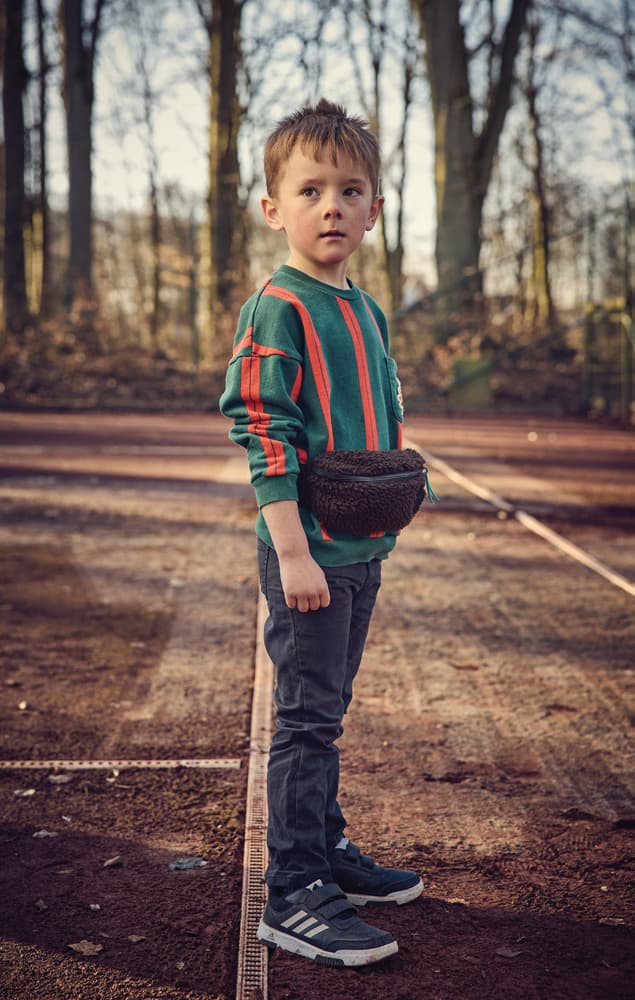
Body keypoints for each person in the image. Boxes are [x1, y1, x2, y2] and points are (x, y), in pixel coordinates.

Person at [219, 98, 423, 968]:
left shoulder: (368, 310)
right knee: (305, 722)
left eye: (350, 190)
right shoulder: (277, 305)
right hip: (306, 554)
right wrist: (293, 550)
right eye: (310, 190)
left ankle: (327, 850)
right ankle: (293, 890)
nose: (331, 205)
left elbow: (380, 413)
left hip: (359, 548)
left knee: (327, 715)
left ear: (375, 209)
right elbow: (262, 429)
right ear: (275, 210)